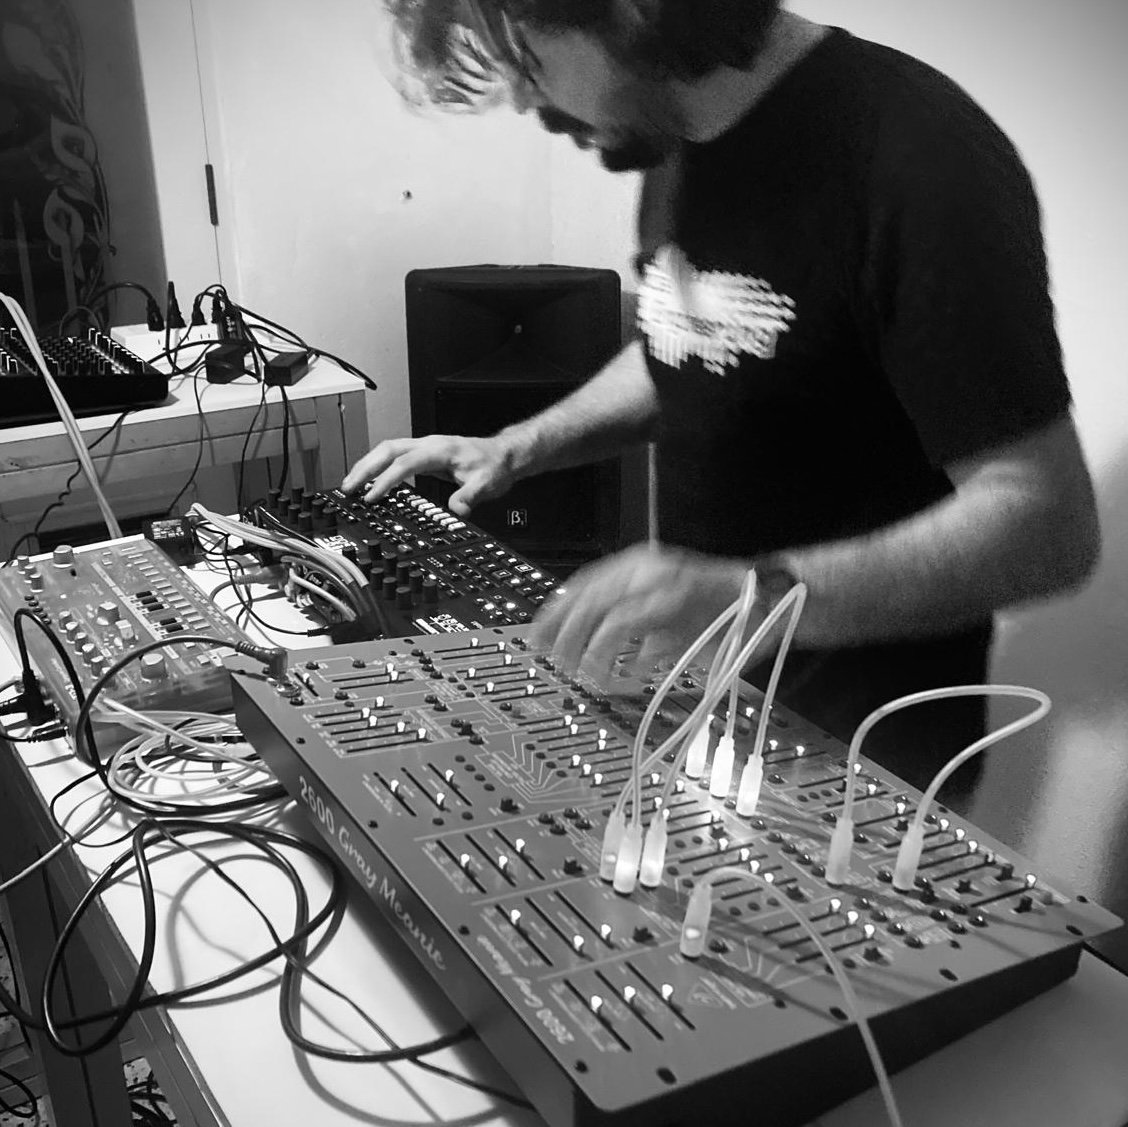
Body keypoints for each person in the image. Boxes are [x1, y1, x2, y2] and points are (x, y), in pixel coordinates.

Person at [343, 0, 1100, 798]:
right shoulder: (674, 138)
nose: (528, 102)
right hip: (707, 712)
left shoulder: (922, 156)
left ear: (631, 12)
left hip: (865, 766)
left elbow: (1048, 523)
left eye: (529, 61)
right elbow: (693, 337)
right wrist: (517, 446)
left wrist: (750, 596)